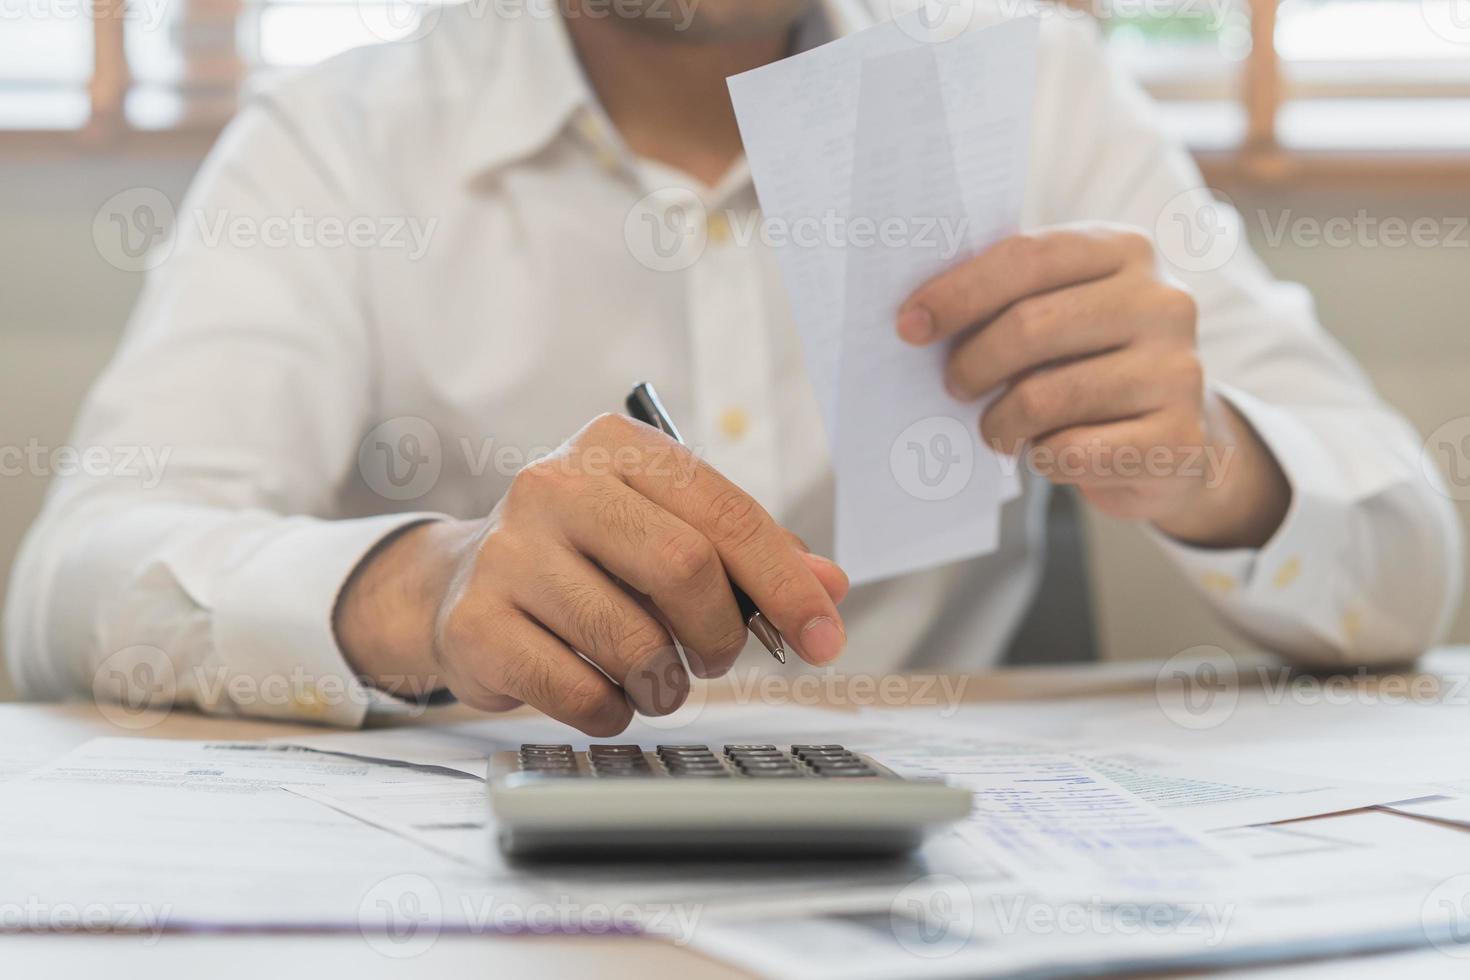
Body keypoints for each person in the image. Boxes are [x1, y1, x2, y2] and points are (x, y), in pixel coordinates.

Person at [6, 0, 1460, 732]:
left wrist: (1213, 459)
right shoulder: (337, 141)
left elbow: (1411, 565)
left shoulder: (1028, 88)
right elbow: (72, 593)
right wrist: (420, 590)